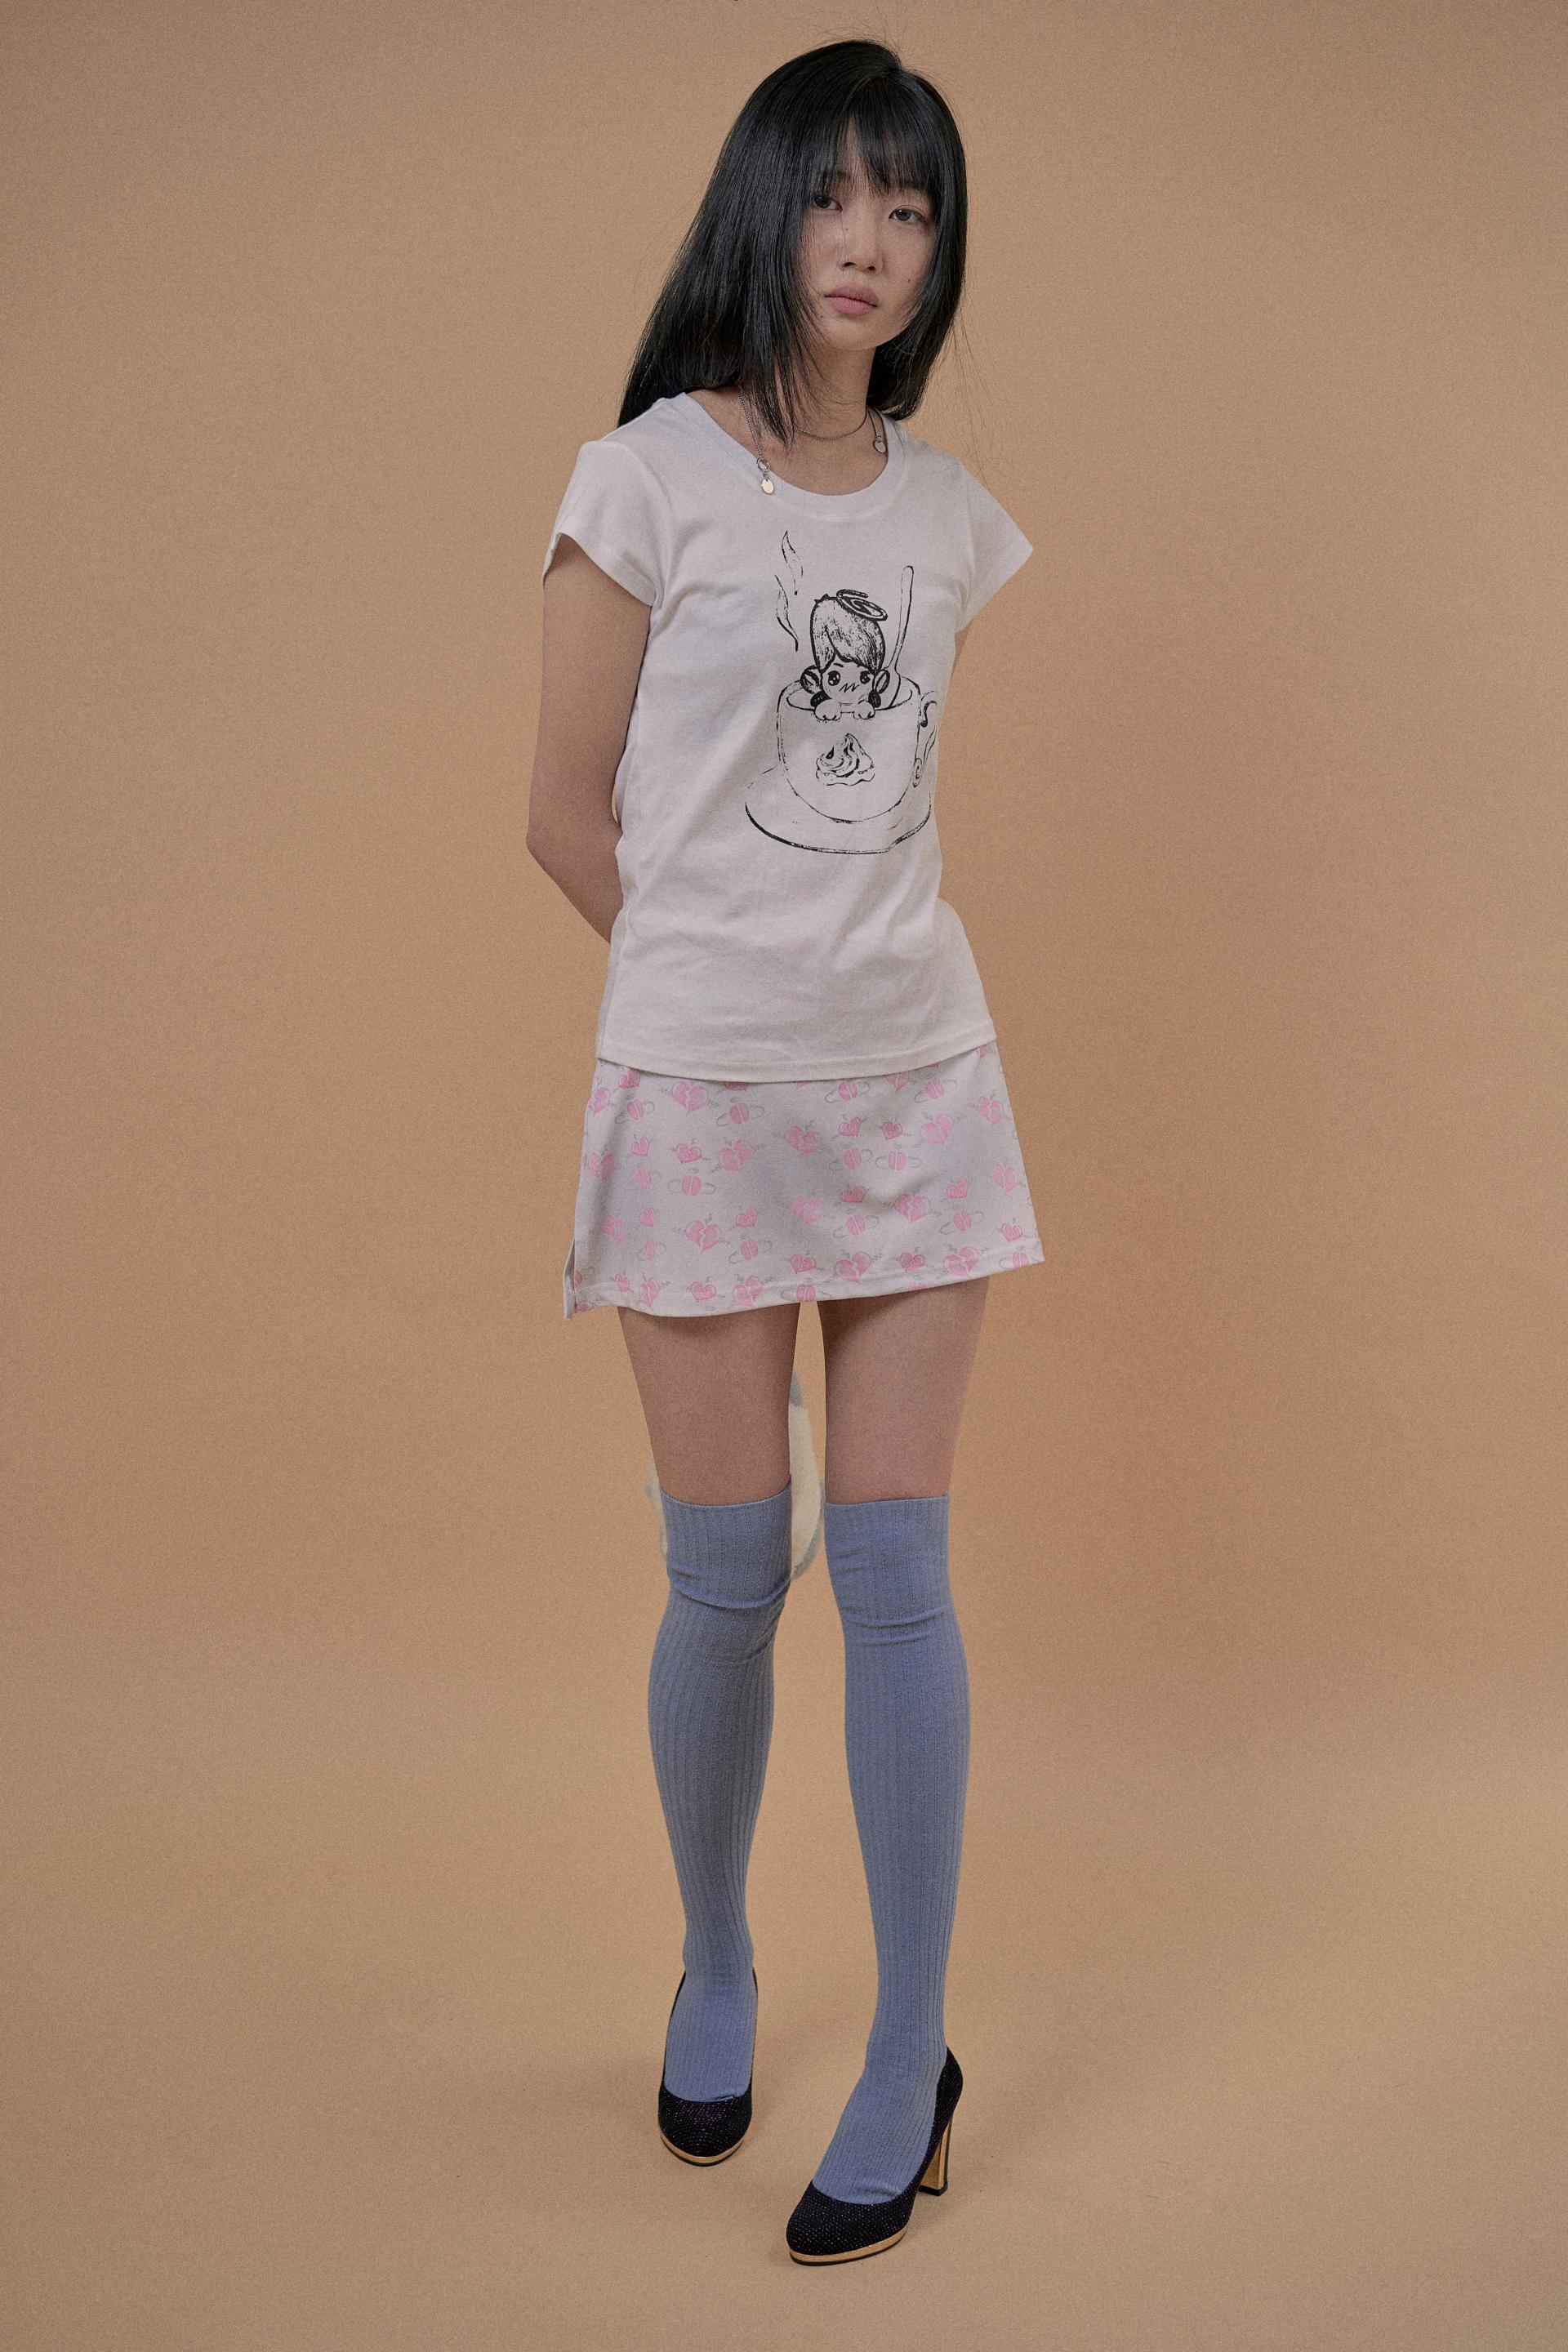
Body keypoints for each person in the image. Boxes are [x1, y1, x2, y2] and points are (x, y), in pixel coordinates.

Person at [529, 38, 1043, 2265]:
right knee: (729, 1579)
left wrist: (833, 994)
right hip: (705, 1094)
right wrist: (719, 995)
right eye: (835, 196)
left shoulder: (947, 517)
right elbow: (563, 811)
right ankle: (718, 1961)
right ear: (767, 207)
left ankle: (910, 2046)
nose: (870, 243)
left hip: (919, 1080)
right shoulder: (646, 477)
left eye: (910, 210)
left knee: (899, 1576)